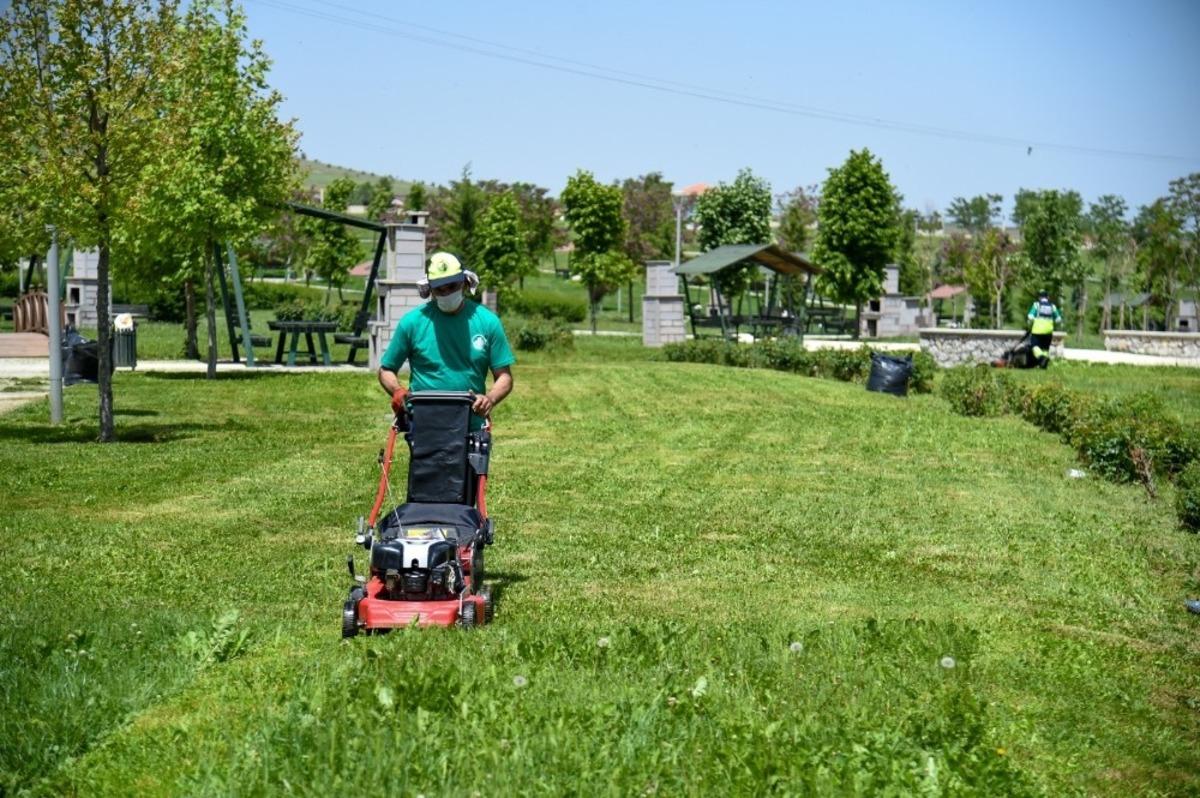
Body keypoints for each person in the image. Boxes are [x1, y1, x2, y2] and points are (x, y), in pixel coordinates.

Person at [377, 252, 514, 425]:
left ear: (465, 283)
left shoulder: (488, 322)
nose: (447, 293)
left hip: (470, 423)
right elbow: (386, 370)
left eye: (452, 287)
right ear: (430, 289)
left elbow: (504, 376)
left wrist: (489, 399)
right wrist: (397, 391)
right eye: (440, 289)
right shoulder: (412, 322)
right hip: (423, 423)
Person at [1026, 290, 1062, 369]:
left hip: (1037, 330)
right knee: (1045, 348)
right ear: (1048, 297)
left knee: (1034, 345)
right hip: (1048, 331)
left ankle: (1041, 358)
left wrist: (1032, 321)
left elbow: (1030, 316)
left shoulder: (1037, 305)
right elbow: (1058, 319)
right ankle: (1043, 365)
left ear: (1039, 297)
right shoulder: (1052, 306)